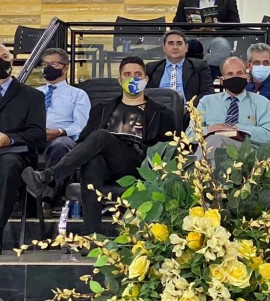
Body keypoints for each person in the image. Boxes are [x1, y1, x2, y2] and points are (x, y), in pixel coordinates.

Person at [22, 56, 175, 237]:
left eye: (137, 74)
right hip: (107, 166)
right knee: (92, 161)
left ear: (146, 79)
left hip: (140, 165)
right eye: (127, 74)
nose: (132, 78)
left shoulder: (162, 112)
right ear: (119, 79)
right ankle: (92, 236)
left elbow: (170, 148)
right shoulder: (102, 108)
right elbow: (85, 142)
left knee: (101, 136)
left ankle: (48, 176)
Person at [0, 43, 45, 251]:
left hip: (15, 154)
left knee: (7, 166)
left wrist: (9, 139)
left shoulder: (32, 96)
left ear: (11, 61)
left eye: (4, 56)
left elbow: (37, 136)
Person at [36, 48, 91, 211]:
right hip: (36, 137)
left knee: (60, 145)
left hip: (63, 138)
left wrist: (60, 131)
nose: (48, 68)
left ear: (65, 68)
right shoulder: (35, 93)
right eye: (45, 64)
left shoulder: (78, 94)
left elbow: (81, 126)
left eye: (53, 64)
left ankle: (46, 199)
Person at [191, 56, 270, 151]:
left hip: (248, 152)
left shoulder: (262, 102)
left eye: (239, 73)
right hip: (212, 149)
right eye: (230, 74)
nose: (235, 77)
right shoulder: (206, 102)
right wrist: (210, 129)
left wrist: (237, 129)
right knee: (214, 141)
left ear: (247, 77)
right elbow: (190, 135)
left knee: (215, 141)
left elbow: (269, 135)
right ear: (221, 81)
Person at [172, 0, 240, 71]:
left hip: (216, 39)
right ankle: (188, 75)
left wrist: (216, 29)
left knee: (221, 45)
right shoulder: (185, 0)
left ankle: (208, 77)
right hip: (192, 38)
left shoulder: (229, 2)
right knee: (187, 45)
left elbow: (236, 28)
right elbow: (176, 27)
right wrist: (192, 30)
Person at [146, 30, 215, 105]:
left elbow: (208, 92)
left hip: (189, 112)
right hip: (158, 113)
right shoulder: (151, 68)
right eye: (171, 43)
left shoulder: (199, 66)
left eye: (179, 43)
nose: (175, 47)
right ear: (164, 48)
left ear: (186, 47)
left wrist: (190, 108)